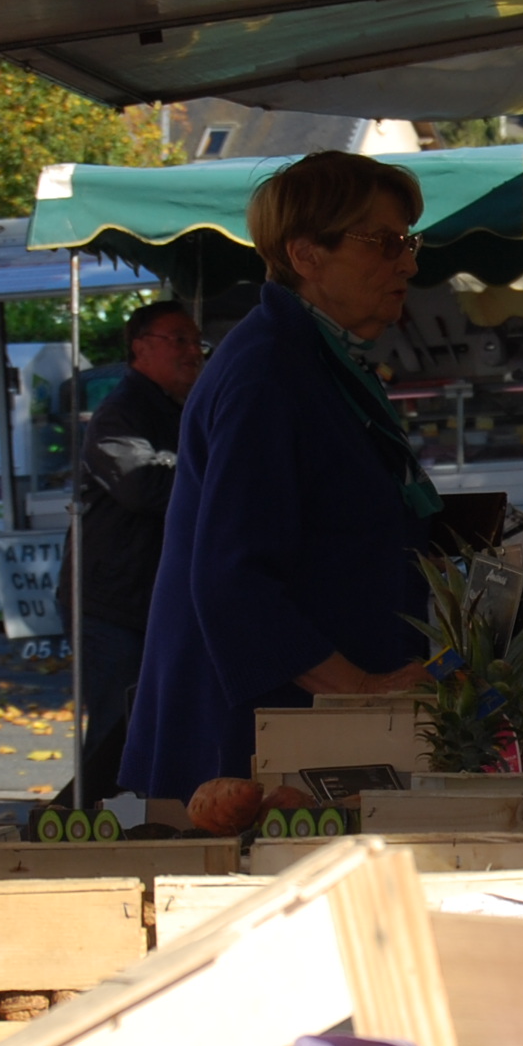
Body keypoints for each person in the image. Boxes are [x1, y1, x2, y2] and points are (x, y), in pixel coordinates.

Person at [122, 152, 435, 797]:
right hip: (257, 742)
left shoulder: (314, 360)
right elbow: (232, 580)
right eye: (384, 243)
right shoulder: (267, 372)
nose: (407, 263)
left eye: (409, 243)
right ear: (306, 255)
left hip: (301, 727)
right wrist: (359, 688)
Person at [61, 299, 203, 806]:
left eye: (196, 341)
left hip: (150, 599)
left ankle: (134, 815)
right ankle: (87, 822)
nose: (193, 351)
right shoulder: (120, 412)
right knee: (115, 728)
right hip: (111, 602)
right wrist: (207, 470)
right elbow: (144, 486)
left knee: (150, 722)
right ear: (140, 347)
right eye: (178, 340)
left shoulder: (181, 408)